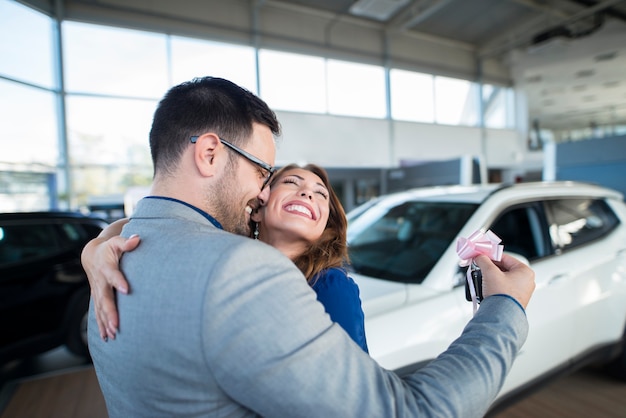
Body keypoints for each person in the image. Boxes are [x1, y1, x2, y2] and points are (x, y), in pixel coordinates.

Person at [84, 76, 535, 418]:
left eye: (320, 193)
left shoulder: (117, 256)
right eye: (265, 173)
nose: (262, 193)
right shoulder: (240, 270)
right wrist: (504, 306)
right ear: (208, 154)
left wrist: (100, 240)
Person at [84, 163, 369, 352]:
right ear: (257, 209)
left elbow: (354, 395)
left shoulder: (330, 286)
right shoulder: (228, 255)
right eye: (292, 182)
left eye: (321, 194)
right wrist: (94, 249)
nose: (307, 192)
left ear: (324, 226)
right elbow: (151, 222)